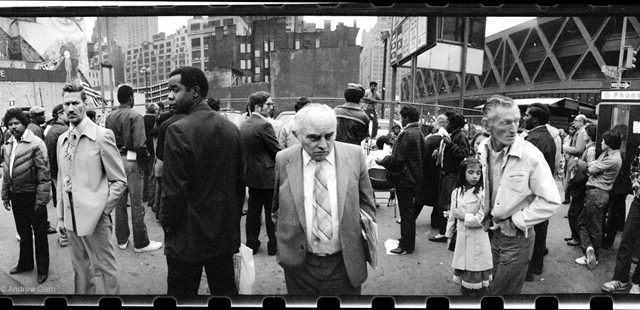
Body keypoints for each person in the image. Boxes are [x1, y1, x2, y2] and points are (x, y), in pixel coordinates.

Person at [272, 103, 376, 295]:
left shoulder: (354, 155)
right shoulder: (283, 159)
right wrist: (286, 244)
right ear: (296, 134)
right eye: (313, 137)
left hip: (344, 264)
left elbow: (368, 207)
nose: (323, 144)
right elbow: (277, 209)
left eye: (329, 136)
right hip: (299, 266)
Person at [162, 67, 244, 296]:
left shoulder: (178, 130)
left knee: (182, 295)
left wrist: (168, 226)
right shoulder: (232, 129)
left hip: (187, 238)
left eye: (174, 89)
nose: (169, 96)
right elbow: (239, 186)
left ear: (195, 91)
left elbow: (173, 192)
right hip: (222, 235)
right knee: (224, 291)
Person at [476, 95, 560, 295]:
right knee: (489, 287)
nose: (514, 128)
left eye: (517, 120)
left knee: (503, 293)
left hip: (515, 238)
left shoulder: (530, 154)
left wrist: (516, 221)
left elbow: (551, 200)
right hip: (488, 232)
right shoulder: (482, 148)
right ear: (487, 126)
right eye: (506, 122)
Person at [55, 81, 127, 294]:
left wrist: (102, 210)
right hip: (71, 218)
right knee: (81, 271)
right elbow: (62, 180)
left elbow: (119, 181)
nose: (70, 108)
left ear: (84, 104)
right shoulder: (61, 140)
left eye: (75, 103)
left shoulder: (101, 136)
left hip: (96, 219)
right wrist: (60, 217)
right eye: (66, 104)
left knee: (104, 270)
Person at [105, 85, 162, 253]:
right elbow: (139, 143)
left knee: (119, 203)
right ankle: (141, 242)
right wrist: (145, 159)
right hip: (132, 161)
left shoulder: (109, 116)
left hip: (115, 161)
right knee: (136, 204)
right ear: (131, 97)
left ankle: (122, 239)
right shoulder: (135, 116)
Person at [1, 108, 51, 284]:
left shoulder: (36, 143)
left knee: (40, 234)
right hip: (17, 196)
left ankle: (43, 269)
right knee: (23, 233)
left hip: (33, 195)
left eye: (17, 123)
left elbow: (44, 175)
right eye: (10, 124)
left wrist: (41, 200)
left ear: (24, 124)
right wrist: (5, 194)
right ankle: (25, 264)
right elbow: (7, 172)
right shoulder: (9, 143)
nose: (13, 127)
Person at [377, 106, 427, 254]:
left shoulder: (405, 134)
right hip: (415, 177)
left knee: (406, 214)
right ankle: (407, 242)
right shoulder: (419, 133)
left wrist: (383, 161)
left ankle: (406, 245)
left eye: (402, 117)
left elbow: (397, 160)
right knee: (409, 213)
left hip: (404, 179)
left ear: (406, 118)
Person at [239, 91, 282, 256]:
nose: (271, 107)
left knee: (253, 212)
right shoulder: (264, 125)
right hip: (268, 175)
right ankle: (273, 245)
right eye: (269, 104)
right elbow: (276, 150)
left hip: (251, 175)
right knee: (271, 212)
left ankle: (252, 244)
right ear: (258, 106)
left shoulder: (245, 124)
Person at [575, 130, 622, 270]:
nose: (601, 143)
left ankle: (593, 254)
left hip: (598, 193)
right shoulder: (606, 154)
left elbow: (591, 168)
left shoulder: (613, 159)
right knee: (583, 222)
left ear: (609, 143)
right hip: (595, 193)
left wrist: (581, 163)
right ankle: (589, 248)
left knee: (593, 227)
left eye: (603, 141)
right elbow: (592, 167)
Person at [445, 157, 491, 296]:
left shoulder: (483, 193)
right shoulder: (457, 192)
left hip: (477, 238)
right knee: (463, 266)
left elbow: (484, 218)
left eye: (478, 173)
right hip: (461, 236)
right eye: (471, 172)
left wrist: (464, 216)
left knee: (475, 269)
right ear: (463, 173)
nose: (475, 176)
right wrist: (449, 234)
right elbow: (453, 215)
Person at [522, 103, 556, 281]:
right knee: (540, 228)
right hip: (542, 191)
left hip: (533, 193)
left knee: (531, 231)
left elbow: (527, 170)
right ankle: (536, 266)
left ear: (535, 119)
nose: (524, 118)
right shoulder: (545, 136)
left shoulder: (535, 139)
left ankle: (529, 270)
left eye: (527, 115)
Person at [601, 146, 640, 294]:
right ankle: (620, 279)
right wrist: (636, 183)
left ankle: (637, 281)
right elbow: (635, 166)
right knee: (627, 239)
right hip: (639, 200)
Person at [431, 111, 470, 243]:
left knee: (446, 204)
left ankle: (445, 233)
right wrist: (439, 151)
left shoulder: (460, 136)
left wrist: (450, 144)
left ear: (454, 124)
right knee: (443, 203)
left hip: (452, 175)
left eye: (448, 122)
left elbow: (463, 153)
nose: (445, 124)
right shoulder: (451, 135)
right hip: (444, 173)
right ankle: (445, 231)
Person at [152, 100, 186, 221]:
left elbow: (159, 148)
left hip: (163, 159)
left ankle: (160, 214)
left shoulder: (165, 123)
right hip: (178, 162)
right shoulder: (186, 122)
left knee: (161, 188)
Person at [602, 124, 632, 250]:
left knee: (612, 213)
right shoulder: (624, 148)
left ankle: (608, 240)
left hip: (617, 186)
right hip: (622, 186)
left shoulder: (619, 152)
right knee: (616, 213)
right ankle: (609, 238)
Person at [566, 124, 596, 247]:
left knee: (574, 212)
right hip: (580, 183)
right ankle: (575, 235)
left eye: (585, 132)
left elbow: (590, 168)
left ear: (590, 135)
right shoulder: (589, 147)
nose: (583, 134)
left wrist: (578, 162)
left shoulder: (590, 150)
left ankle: (577, 237)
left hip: (581, 184)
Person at [45, 104, 70, 247]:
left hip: (54, 171)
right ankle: (64, 236)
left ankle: (63, 234)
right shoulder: (63, 131)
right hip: (62, 172)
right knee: (65, 203)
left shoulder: (51, 130)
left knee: (60, 201)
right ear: (60, 114)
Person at [564, 116, 589, 204]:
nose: (574, 122)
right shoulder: (581, 131)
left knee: (573, 186)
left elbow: (579, 149)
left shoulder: (581, 132)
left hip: (576, 162)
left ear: (581, 122)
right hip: (576, 162)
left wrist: (566, 148)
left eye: (576, 120)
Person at [142, 103, 159, 212]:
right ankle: (151, 199)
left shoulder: (141, 119)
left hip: (143, 150)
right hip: (153, 150)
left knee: (144, 174)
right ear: (155, 111)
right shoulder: (156, 121)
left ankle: (144, 195)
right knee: (152, 175)